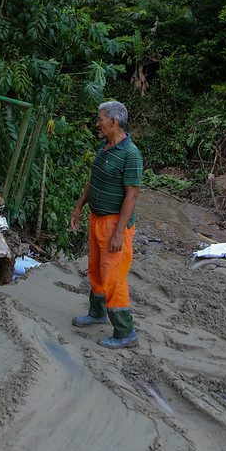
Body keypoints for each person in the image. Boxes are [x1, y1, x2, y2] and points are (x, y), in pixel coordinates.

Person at [70, 101, 143, 349]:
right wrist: (80, 206)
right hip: (96, 219)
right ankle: (97, 312)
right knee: (96, 270)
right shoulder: (104, 147)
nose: (97, 123)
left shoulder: (131, 154)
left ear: (113, 121)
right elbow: (94, 179)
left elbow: (131, 196)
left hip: (114, 225)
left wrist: (119, 233)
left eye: (100, 119)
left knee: (113, 277)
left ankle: (125, 332)